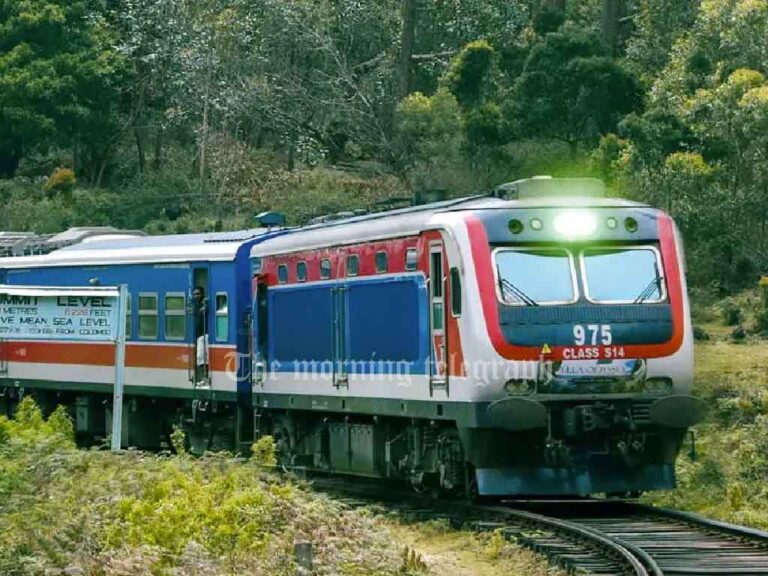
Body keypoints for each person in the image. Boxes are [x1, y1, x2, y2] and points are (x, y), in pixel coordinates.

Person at [192, 286, 208, 384]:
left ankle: (205, 378)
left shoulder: (204, 304)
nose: (196, 296)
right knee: (199, 358)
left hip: (203, 335)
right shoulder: (193, 305)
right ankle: (202, 378)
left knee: (202, 358)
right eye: (194, 294)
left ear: (202, 294)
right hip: (196, 335)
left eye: (198, 294)